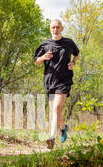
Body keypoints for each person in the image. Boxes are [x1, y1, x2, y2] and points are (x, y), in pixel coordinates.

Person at [34, 19, 79, 149]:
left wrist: (73, 63)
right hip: (49, 80)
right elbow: (36, 61)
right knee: (55, 111)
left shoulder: (69, 43)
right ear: (50, 29)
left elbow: (76, 54)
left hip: (64, 80)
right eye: (53, 27)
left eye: (58, 27)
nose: (55, 29)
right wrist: (43, 58)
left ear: (62, 28)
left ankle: (51, 137)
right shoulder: (45, 44)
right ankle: (63, 128)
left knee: (56, 108)